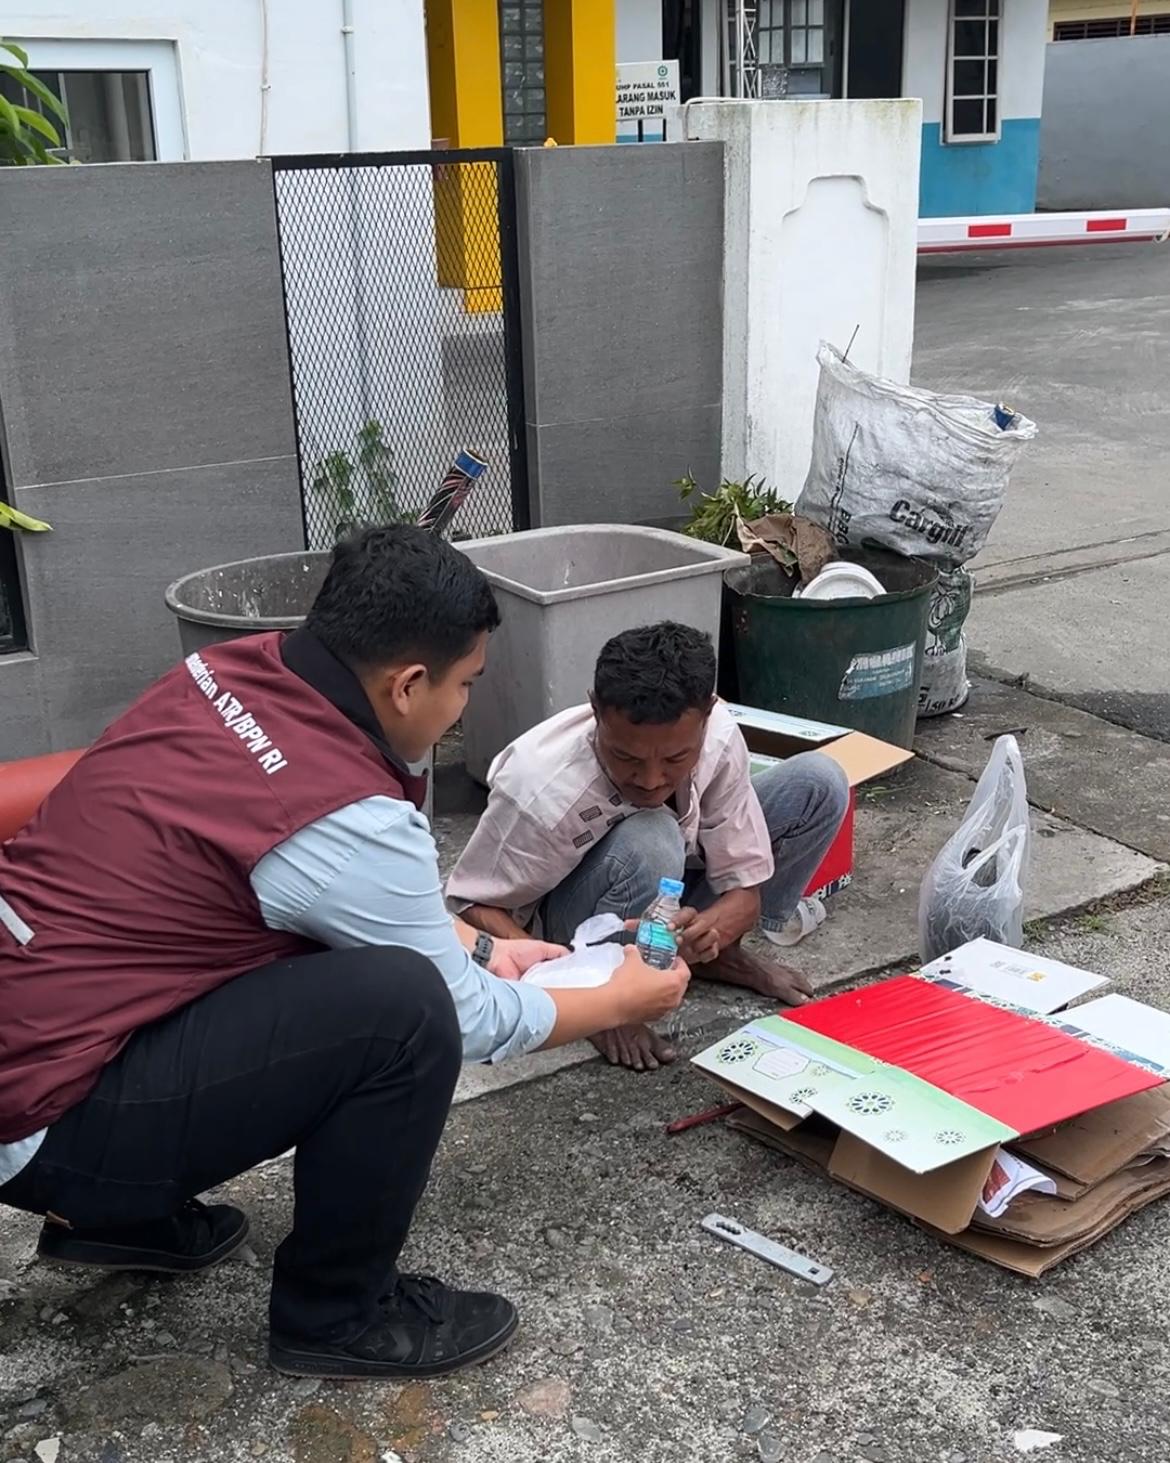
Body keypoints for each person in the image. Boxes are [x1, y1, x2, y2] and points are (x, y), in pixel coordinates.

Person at [0, 527, 688, 1381]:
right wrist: (617, 1000)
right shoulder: (343, 813)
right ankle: (337, 1313)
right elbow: (462, 1018)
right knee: (403, 1013)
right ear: (407, 684)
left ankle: (122, 1222)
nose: (465, 705)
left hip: (35, 1042)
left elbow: (309, 899)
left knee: (293, 948)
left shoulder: (229, 672)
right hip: (53, 1119)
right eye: (466, 683)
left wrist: (480, 944)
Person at [448, 621, 850, 1071]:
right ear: (596, 711)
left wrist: (712, 931)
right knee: (653, 833)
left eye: (677, 758)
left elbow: (746, 889)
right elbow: (469, 903)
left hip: (664, 907)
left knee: (820, 783)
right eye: (627, 757)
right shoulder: (541, 790)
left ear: (707, 713)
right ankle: (608, 984)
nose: (652, 779)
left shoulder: (717, 733)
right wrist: (572, 989)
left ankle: (718, 958)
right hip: (577, 925)